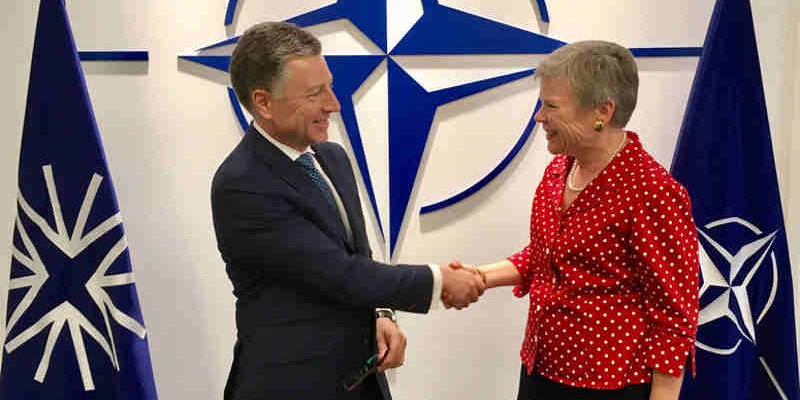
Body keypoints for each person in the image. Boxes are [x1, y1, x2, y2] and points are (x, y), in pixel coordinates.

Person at [210, 21, 485, 400]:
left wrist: (381, 314)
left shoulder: (331, 158)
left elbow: (357, 255)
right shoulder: (242, 184)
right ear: (263, 102)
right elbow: (340, 274)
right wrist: (439, 282)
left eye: (330, 86)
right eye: (314, 93)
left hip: (358, 378)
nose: (333, 104)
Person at [452, 40, 699, 400]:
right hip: (541, 371)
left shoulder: (652, 191)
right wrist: (480, 277)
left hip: (609, 386)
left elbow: (674, 314)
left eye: (550, 106)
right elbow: (545, 257)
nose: (539, 116)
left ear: (603, 111)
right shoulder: (558, 170)